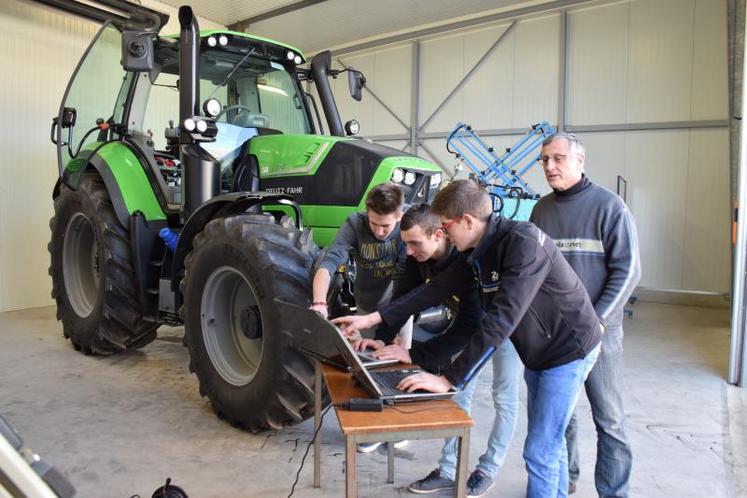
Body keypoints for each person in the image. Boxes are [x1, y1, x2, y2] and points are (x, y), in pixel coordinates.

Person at [336, 179, 603, 497]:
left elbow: (499, 321)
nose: (444, 234)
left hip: (568, 349)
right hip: (538, 349)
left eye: (446, 227)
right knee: (550, 441)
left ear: (466, 221)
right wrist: (374, 318)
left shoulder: (523, 243)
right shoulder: (477, 251)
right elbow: (432, 290)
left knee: (539, 449)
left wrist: (448, 378)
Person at [352, 204, 521, 497]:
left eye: (414, 243)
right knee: (459, 398)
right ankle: (447, 470)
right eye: (404, 244)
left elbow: (469, 327)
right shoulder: (417, 258)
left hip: (504, 328)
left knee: (503, 398)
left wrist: (417, 356)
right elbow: (404, 300)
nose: (408, 251)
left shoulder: (467, 261)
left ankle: (488, 469)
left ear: (439, 234)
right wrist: (382, 338)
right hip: (473, 327)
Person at [530, 133, 640, 497]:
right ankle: (567, 477)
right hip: (554, 338)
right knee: (561, 419)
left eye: (558, 158)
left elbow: (628, 272)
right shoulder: (541, 211)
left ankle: (614, 492)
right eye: (544, 160)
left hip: (600, 337)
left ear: (580, 160)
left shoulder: (610, 207)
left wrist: (595, 321)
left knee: (609, 420)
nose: (549, 166)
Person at [310, 182, 405, 325]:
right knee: (368, 346)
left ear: (400, 217)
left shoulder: (409, 224)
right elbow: (330, 261)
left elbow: (403, 275)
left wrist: (397, 314)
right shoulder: (355, 224)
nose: (379, 232)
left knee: (399, 346)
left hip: (399, 301)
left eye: (385, 226)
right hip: (366, 302)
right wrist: (319, 303)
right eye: (374, 223)